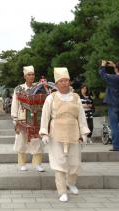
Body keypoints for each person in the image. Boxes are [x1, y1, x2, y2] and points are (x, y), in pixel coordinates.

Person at [39, 67, 90, 202]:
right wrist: (44, 133)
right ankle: (62, 191)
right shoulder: (51, 97)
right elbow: (45, 116)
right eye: (61, 81)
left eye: (66, 80)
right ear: (56, 84)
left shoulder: (76, 97)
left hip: (73, 132)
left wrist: (84, 133)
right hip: (56, 133)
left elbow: (81, 116)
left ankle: (71, 183)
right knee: (59, 162)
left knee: (74, 162)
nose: (64, 83)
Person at [11, 65, 45, 172]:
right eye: (29, 75)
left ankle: (37, 164)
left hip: (36, 117)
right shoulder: (19, 88)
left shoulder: (39, 87)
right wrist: (15, 118)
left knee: (37, 141)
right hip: (22, 117)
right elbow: (14, 104)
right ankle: (22, 163)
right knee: (21, 141)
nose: (31, 76)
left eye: (33, 74)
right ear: (25, 76)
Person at [99, 60, 119, 151]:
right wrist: (114, 66)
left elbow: (103, 74)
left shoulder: (114, 78)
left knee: (114, 126)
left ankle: (116, 147)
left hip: (113, 104)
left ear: (117, 69)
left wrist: (103, 66)